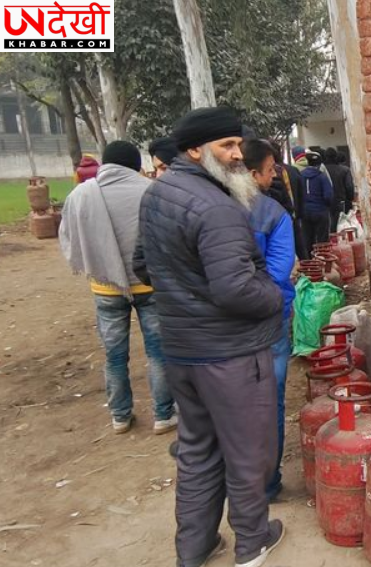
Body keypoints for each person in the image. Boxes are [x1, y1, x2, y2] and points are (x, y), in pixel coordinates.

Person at [134, 107, 285, 567]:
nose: (238, 154)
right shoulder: (218, 207)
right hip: (229, 354)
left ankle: (195, 546)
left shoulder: (158, 194)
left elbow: (143, 266)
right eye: (227, 146)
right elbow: (236, 289)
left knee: (197, 450)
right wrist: (274, 295)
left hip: (183, 350)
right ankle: (252, 541)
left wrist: (188, 294)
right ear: (196, 150)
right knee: (247, 451)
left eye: (238, 144)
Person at [58, 140, 175, 435]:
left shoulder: (81, 194)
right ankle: (163, 415)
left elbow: (68, 236)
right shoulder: (152, 190)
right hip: (149, 286)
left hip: (106, 287)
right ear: (136, 164)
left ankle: (120, 416)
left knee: (114, 355)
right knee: (158, 352)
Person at [243, 138, 296, 501]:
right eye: (270, 169)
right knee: (269, 400)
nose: (275, 174)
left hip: (222, 323)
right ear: (252, 173)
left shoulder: (206, 207)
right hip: (268, 320)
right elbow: (277, 274)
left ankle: (238, 480)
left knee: (232, 402)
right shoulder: (272, 213)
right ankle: (266, 483)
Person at [300, 151, 333, 253]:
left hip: (305, 212)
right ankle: (322, 257)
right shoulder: (322, 177)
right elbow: (328, 196)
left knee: (307, 238)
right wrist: (327, 206)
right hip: (320, 211)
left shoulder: (300, 175)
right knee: (322, 240)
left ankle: (310, 259)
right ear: (319, 164)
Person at [322, 147, 356, 232]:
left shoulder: (321, 170)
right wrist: (350, 198)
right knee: (343, 227)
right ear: (335, 156)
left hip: (326, 203)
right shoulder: (345, 170)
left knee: (329, 228)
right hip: (342, 202)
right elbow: (349, 187)